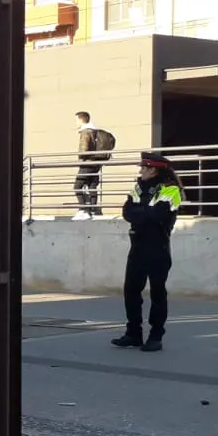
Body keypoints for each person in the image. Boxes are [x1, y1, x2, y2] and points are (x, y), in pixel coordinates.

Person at [112, 152, 182, 352]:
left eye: (144, 167)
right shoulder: (137, 187)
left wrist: (140, 213)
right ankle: (133, 333)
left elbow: (158, 215)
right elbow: (127, 212)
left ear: (154, 169)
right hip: (138, 245)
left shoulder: (171, 190)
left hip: (157, 245)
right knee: (131, 290)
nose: (140, 171)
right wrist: (144, 214)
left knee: (157, 292)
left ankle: (156, 335)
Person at [72, 111, 113, 220]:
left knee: (77, 186)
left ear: (81, 120)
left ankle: (83, 210)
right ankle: (94, 211)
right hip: (97, 163)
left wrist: (80, 157)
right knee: (92, 186)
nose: (76, 122)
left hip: (88, 163)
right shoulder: (96, 131)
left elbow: (83, 149)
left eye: (76, 120)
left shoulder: (85, 132)